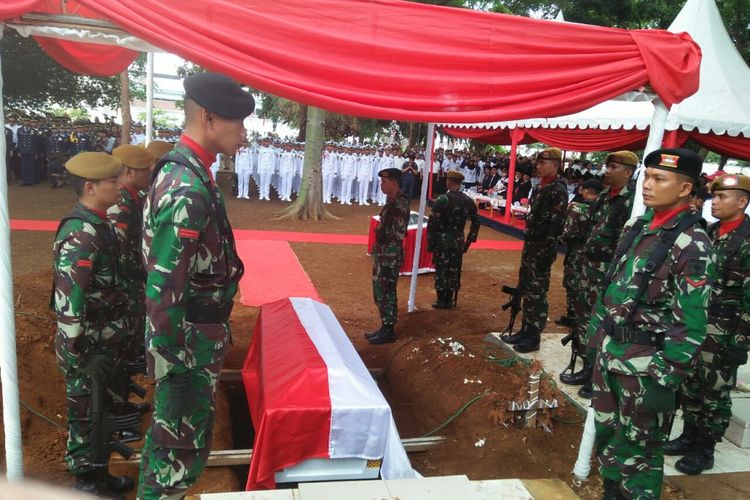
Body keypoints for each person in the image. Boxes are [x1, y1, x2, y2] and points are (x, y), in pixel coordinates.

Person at [138, 72, 253, 498]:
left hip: (195, 339)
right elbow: (163, 286)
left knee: (179, 449)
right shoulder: (187, 188)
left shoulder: (193, 174)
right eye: (237, 122)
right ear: (207, 117)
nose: (243, 133)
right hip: (184, 345)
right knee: (175, 457)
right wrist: (170, 363)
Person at [589, 148, 714, 500]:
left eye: (660, 179)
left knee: (641, 452)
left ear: (686, 189)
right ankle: (612, 491)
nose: (648, 185)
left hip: (645, 366)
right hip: (611, 352)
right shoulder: (637, 225)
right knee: (608, 436)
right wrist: (596, 336)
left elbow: (690, 322)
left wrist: (665, 376)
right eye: (647, 176)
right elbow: (613, 284)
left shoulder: (694, 243)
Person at [52, 152, 133, 496]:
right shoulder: (81, 234)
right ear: (90, 187)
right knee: (85, 417)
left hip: (104, 341)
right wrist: (78, 355)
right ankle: (86, 484)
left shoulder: (100, 225)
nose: (119, 185)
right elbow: (70, 302)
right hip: (88, 347)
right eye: (112, 181)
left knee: (101, 416)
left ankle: (100, 476)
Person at [665, 173, 750, 476]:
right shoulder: (710, 232)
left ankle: (705, 449)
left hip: (725, 333)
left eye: (722, 197)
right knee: (690, 384)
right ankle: (688, 436)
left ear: (742, 201)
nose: (714, 202)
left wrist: (740, 343)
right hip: (696, 325)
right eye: (713, 197)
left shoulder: (746, 240)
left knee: (714, 394)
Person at [570, 151, 638, 397]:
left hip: (607, 273)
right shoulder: (603, 198)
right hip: (589, 269)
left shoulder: (630, 202)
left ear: (628, 172)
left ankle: (595, 375)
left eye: (613, 167)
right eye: (607, 166)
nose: (606, 170)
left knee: (599, 323)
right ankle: (586, 368)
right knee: (582, 319)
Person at [108, 145, 157, 426]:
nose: (149, 173)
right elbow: (117, 254)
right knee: (119, 347)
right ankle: (115, 409)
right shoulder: (122, 205)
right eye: (144, 169)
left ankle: (121, 399)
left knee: (127, 343)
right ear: (127, 171)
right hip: (124, 286)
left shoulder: (133, 198)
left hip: (133, 283)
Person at [502, 148, 568, 353]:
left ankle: (533, 336)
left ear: (555, 165)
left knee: (537, 293)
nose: (537, 166)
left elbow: (556, 224)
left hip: (542, 247)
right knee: (526, 289)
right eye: (537, 162)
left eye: (542, 163)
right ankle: (525, 329)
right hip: (531, 245)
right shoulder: (541, 186)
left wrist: (547, 250)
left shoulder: (558, 189)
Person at [365, 167, 410, 345]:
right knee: (380, 292)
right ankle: (384, 326)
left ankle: (389, 329)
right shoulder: (392, 201)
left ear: (393, 183)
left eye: (384, 182)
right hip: (383, 253)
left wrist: (384, 242)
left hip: (389, 256)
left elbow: (398, 234)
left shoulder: (400, 204)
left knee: (387, 291)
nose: (381, 184)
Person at [427, 170, 481, 309]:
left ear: (449, 182)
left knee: (441, 269)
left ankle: (441, 300)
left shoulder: (443, 199)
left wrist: (430, 243)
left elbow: (432, 223)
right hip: (458, 240)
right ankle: (449, 300)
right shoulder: (467, 200)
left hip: (442, 240)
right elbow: (476, 221)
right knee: (454, 269)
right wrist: (470, 240)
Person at [555, 178, 603, 328]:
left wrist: (559, 239)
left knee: (572, 283)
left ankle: (572, 316)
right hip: (595, 254)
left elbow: (568, 234)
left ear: (586, 190)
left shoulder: (578, 208)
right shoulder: (603, 208)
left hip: (577, 251)